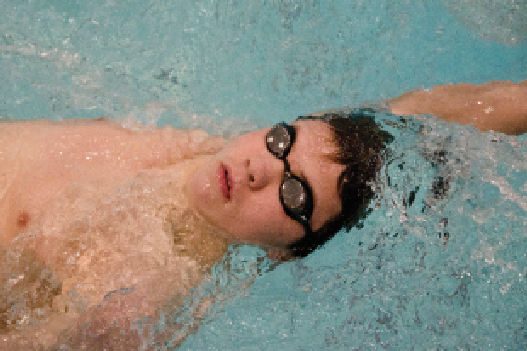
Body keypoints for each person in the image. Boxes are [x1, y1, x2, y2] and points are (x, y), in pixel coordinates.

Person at [0, 80, 525, 349]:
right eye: (281, 140)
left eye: (295, 197)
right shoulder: (203, 149)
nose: (261, 170)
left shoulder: (132, 305)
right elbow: (414, 117)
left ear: (285, 252)